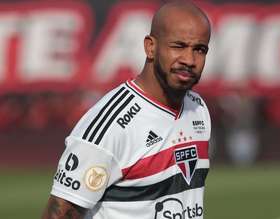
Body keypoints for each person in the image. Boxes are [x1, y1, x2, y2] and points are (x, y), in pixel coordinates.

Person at [42, 1, 212, 218]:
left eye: (200, 49)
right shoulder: (110, 127)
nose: (189, 59)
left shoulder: (198, 110)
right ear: (151, 47)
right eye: (178, 46)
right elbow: (59, 213)